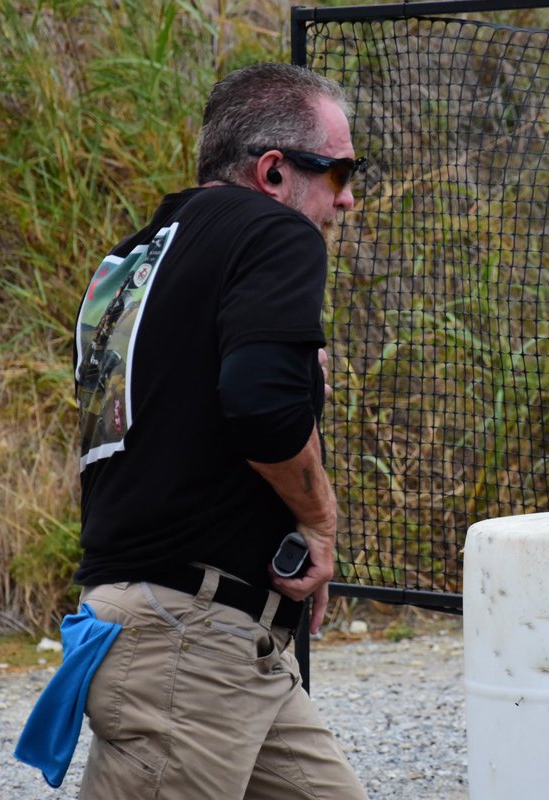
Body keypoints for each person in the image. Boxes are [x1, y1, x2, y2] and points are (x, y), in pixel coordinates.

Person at [69, 62, 369, 799]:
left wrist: (295, 379)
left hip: (203, 632)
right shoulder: (275, 232)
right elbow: (260, 407)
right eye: (337, 173)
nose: (347, 198)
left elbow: (180, 418)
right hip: (188, 645)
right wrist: (319, 521)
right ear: (273, 172)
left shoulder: (134, 259)